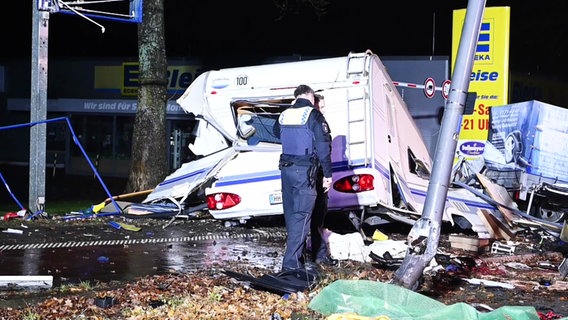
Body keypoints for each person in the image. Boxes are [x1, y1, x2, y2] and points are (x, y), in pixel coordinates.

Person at [278, 85, 333, 272]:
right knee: (302, 218)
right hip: (305, 173)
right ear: (311, 97)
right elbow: (324, 147)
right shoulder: (313, 115)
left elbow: (277, 134)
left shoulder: (284, 114)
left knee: (293, 216)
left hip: (286, 171)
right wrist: (328, 174)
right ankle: (291, 266)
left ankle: (306, 258)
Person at [310, 94, 337, 266]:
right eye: (322, 106)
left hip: (312, 174)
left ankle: (317, 253)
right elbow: (323, 152)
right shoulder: (317, 123)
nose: (324, 109)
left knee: (317, 218)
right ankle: (319, 255)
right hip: (317, 174)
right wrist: (327, 176)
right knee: (317, 218)